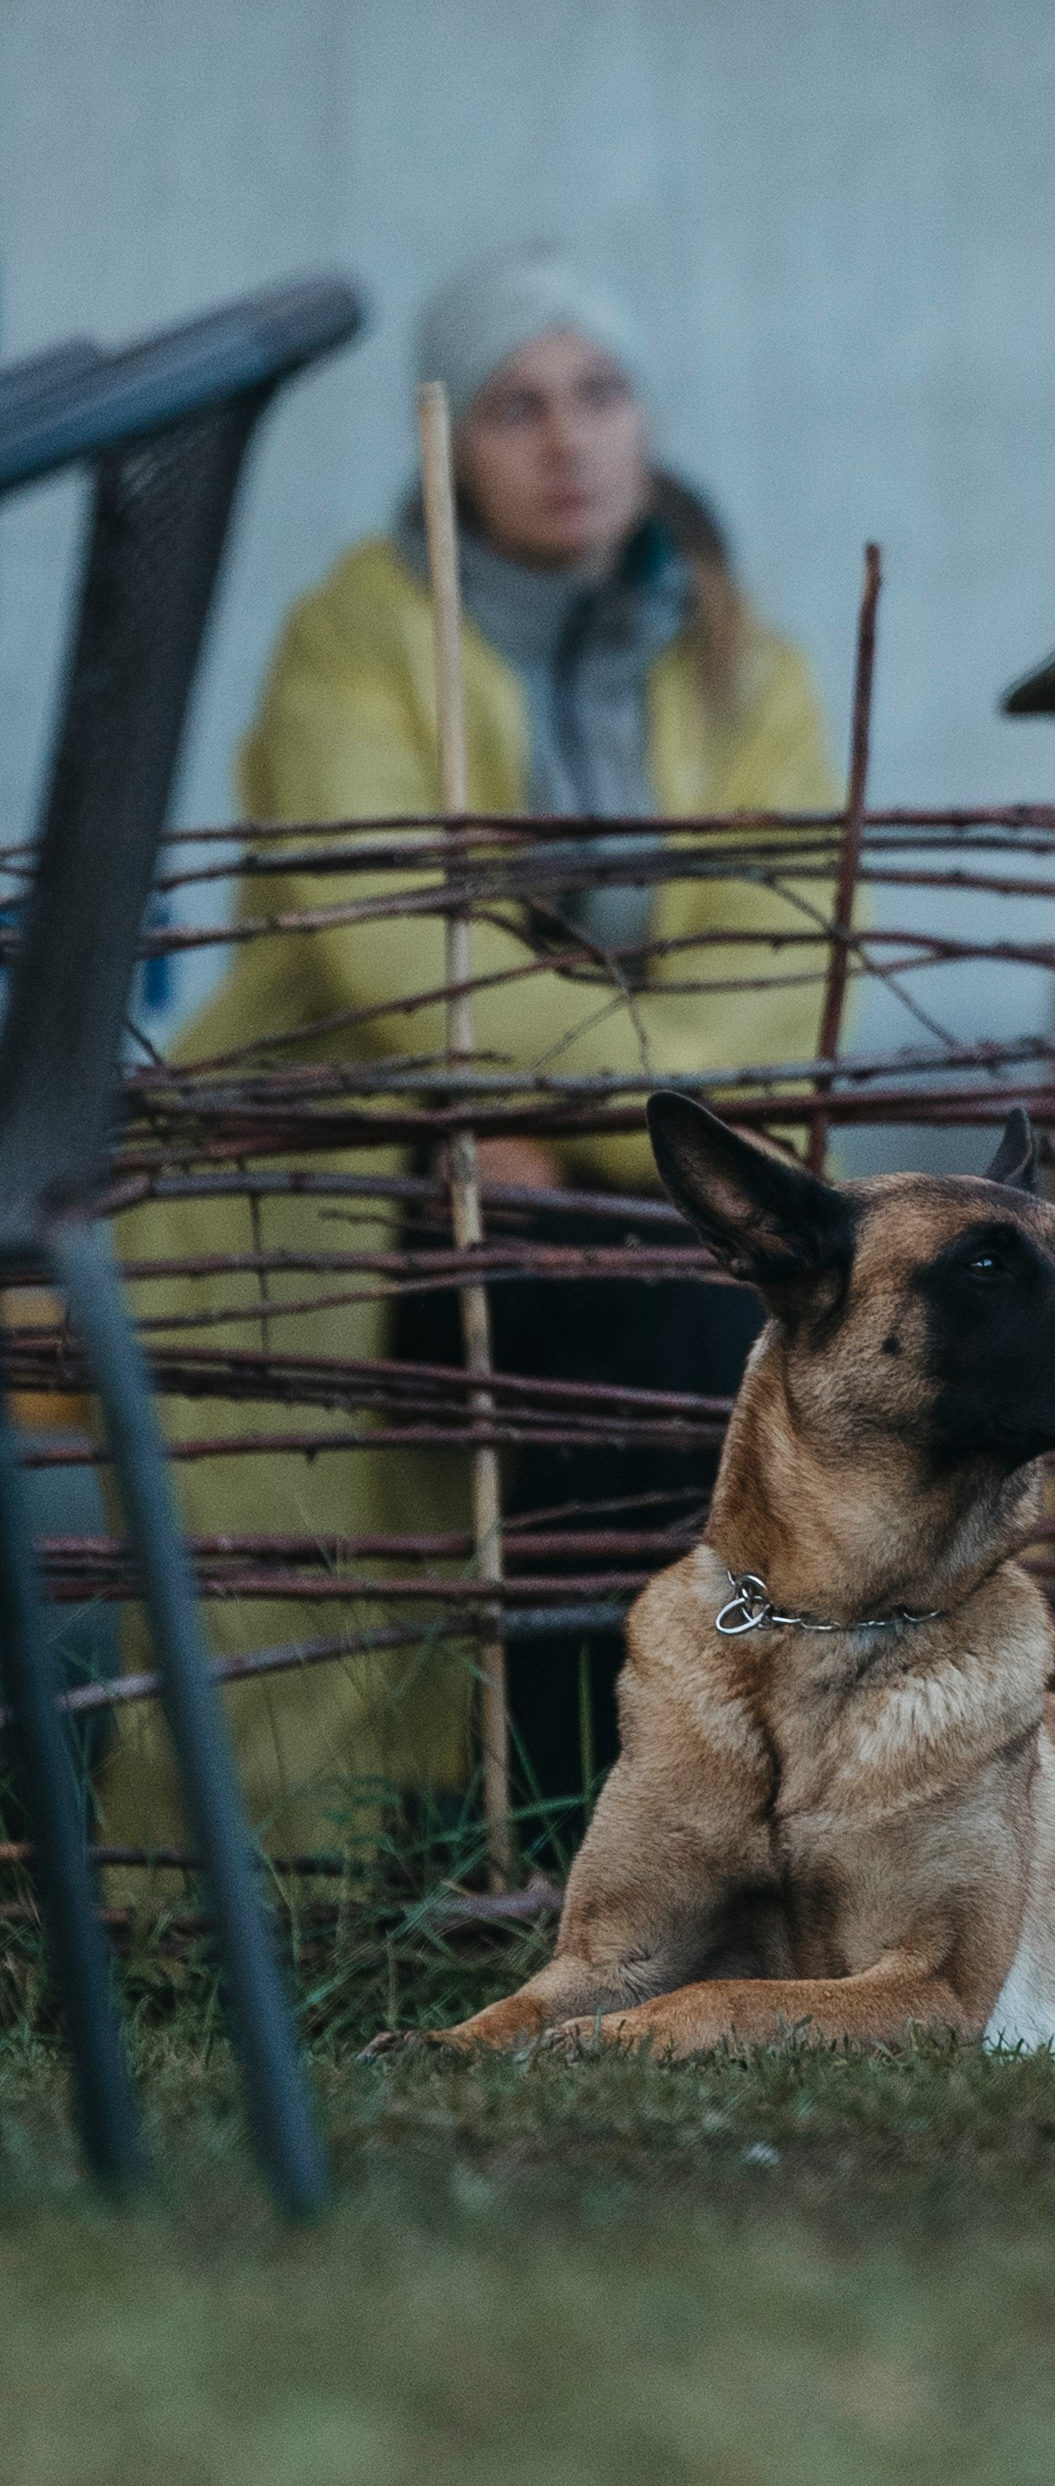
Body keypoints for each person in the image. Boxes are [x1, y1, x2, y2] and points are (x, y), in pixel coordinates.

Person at [100, 248, 839, 1859]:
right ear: (450, 445)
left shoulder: (739, 654)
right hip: (358, 1133)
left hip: (629, 1154)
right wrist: (517, 1119)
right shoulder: (358, 635)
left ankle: (654, 1813)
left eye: (599, 394)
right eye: (515, 406)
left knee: (679, 1355)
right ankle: (367, 1858)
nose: (566, 441)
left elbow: (778, 947)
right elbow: (386, 939)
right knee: (579, 1355)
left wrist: (577, 1127)